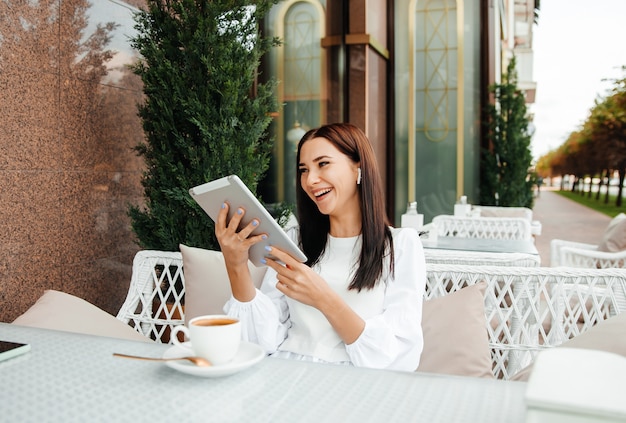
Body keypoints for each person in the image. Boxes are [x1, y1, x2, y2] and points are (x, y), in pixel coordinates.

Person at [215, 123, 426, 371]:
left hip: (356, 382)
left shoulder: (400, 246)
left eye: (323, 164)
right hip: (284, 371)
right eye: (304, 170)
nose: (311, 180)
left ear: (358, 166)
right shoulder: (295, 241)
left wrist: (322, 298)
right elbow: (259, 342)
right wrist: (236, 265)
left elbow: (399, 357)